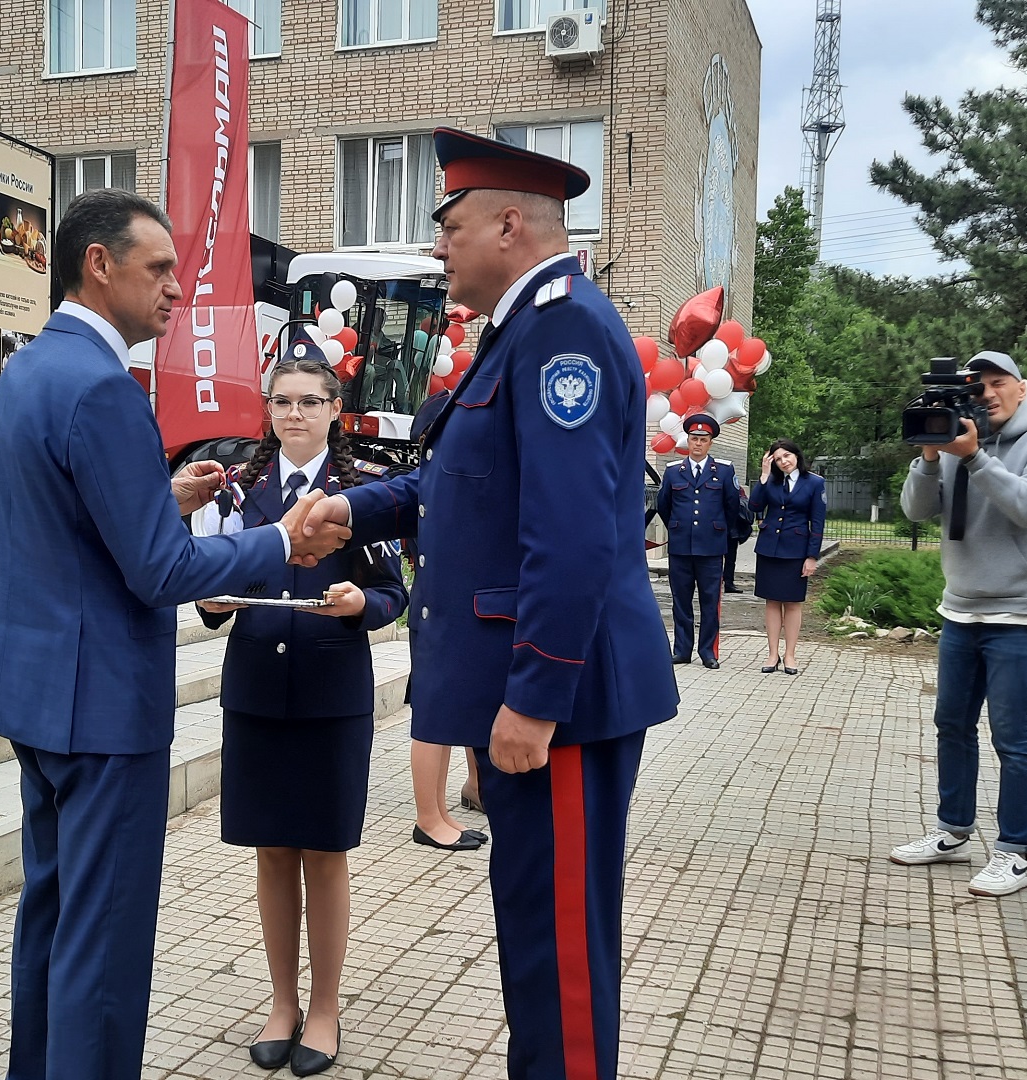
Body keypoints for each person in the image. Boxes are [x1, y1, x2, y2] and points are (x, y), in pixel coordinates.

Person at [298, 128, 677, 1080]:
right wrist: (353, 505)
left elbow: (578, 533)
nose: (439, 248)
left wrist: (538, 695)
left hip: (561, 704)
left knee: (559, 947)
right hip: (532, 693)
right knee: (533, 928)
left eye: (452, 226)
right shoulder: (520, 333)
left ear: (511, 224)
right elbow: (457, 483)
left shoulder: (562, 330)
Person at [0, 188, 350, 1080]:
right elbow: (160, 573)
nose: (176, 289)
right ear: (97, 265)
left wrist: (163, 499)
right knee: (102, 944)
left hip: (38, 696)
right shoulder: (104, 385)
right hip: (102, 705)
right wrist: (278, 538)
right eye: (159, 270)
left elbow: (69, 522)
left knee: (53, 917)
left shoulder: (28, 370)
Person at [194, 350, 409, 1076]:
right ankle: (281, 1002)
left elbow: (392, 591)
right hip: (255, 690)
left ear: (333, 413)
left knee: (325, 851)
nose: (294, 414)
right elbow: (209, 580)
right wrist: (212, 597)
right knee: (271, 851)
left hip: (329, 696)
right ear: (268, 410)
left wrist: (361, 606)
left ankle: (324, 1008)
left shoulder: (360, 493)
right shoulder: (241, 489)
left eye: (309, 402)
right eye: (281, 401)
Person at [889, 350, 1027, 898]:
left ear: (1022, 386)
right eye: (980, 385)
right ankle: (952, 831)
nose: (989, 393)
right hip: (961, 607)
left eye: (999, 383)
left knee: (1014, 737)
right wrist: (929, 455)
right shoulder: (957, 433)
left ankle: (1015, 852)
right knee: (951, 724)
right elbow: (917, 512)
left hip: (1020, 613)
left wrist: (973, 458)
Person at [403, 386, 489, 851]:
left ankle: (462, 796)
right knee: (432, 711)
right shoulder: (428, 485)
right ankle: (429, 816)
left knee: (453, 706)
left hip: (451, 608)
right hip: (437, 607)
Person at [655, 413, 745, 668]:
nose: (697, 443)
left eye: (703, 439)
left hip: (711, 547)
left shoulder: (724, 471)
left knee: (709, 601)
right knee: (680, 600)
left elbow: (731, 506)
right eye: (694, 438)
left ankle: (708, 652)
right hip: (681, 546)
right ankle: (682, 649)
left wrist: (718, 533)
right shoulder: (674, 471)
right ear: (688, 441)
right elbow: (664, 505)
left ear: (710, 443)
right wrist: (678, 527)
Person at [748, 439, 825, 674]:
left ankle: (790, 655)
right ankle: (772, 654)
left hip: (796, 550)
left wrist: (812, 556)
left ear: (796, 455)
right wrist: (763, 476)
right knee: (772, 601)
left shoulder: (814, 482)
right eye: (778, 459)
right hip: (770, 548)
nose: (784, 462)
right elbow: (754, 506)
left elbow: (818, 522)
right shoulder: (770, 480)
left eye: (787, 456)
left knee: (792, 603)